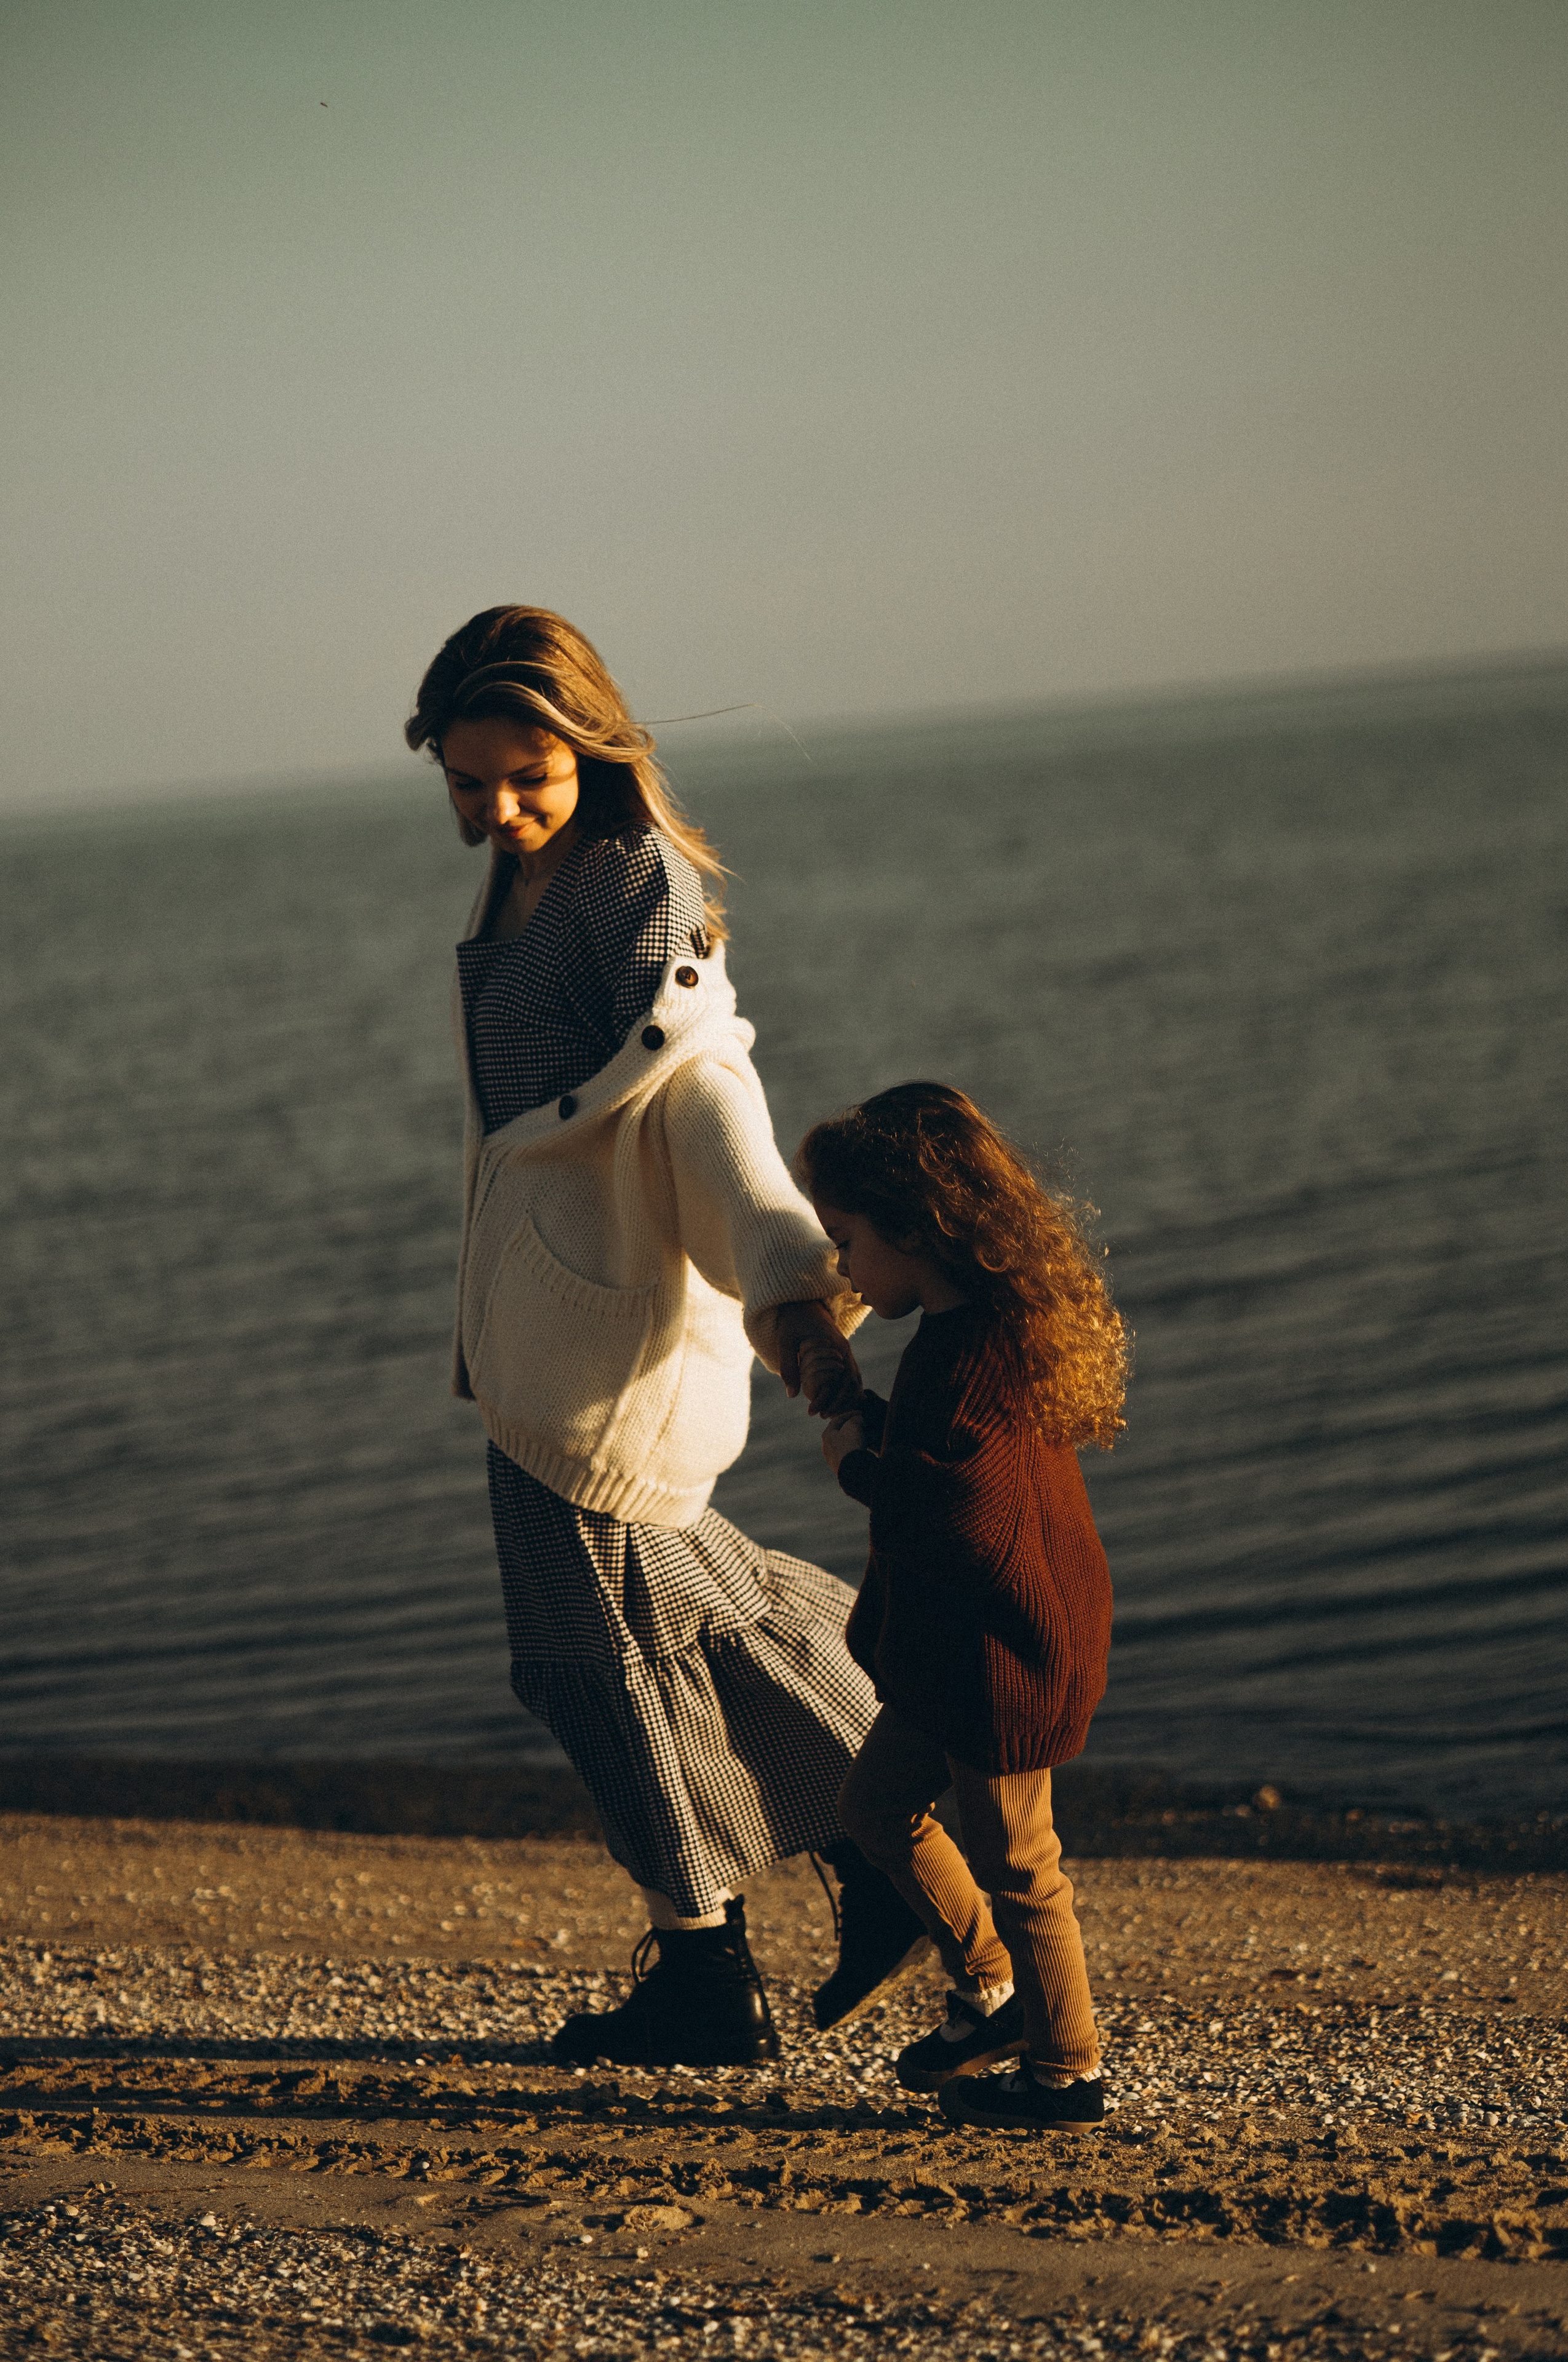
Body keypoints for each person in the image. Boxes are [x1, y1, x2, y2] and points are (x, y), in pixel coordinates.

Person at [405, 606, 926, 2067]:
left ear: (593, 747)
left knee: (622, 1649)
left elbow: (705, 1101)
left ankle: (755, 1934)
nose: (494, 809)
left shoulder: (636, 888)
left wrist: (798, 1297)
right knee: (627, 1641)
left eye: (527, 778)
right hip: (533, 1340)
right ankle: (840, 1869)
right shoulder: (518, 888)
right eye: (463, 781)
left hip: (603, 1346)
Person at [799, 1081, 1129, 2133]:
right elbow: (962, 1467)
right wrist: (879, 1424)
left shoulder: (979, 1350)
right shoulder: (964, 1332)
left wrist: (860, 1469)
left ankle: (1066, 2069)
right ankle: (990, 1989)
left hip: (1004, 1656)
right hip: (957, 1652)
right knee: (873, 1810)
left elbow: (965, 1517)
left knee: (1022, 1863)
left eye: (848, 1241)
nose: (843, 1267)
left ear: (913, 1225)